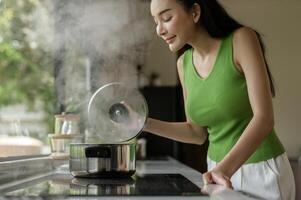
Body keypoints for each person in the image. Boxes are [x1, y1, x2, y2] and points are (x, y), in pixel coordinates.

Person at [145, 0, 296, 199]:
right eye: (156, 21)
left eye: (166, 18)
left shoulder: (241, 40)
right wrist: (142, 123)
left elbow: (264, 118)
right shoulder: (184, 64)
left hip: (261, 171)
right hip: (216, 172)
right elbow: (196, 133)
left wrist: (225, 169)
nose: (159, 30)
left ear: (195, 12)